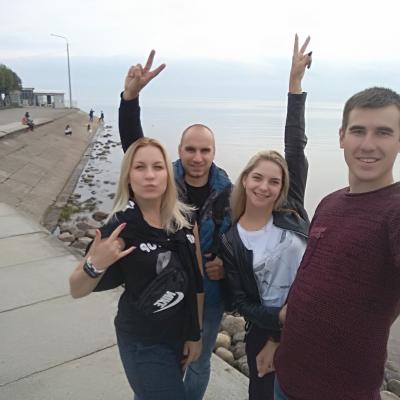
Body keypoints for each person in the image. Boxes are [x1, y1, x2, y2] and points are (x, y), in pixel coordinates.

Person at [273, 87, 400, 399]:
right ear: (342, 137)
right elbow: (309, 275)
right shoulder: (329, 203)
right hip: (284, 379)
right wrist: (283, 325)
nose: (368, 144)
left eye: (383, 132)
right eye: (358, 131)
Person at [119, 50, 233, 400]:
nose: (197, 157)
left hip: (208, 297)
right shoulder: (163, 180)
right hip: (162, 290)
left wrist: (224, 264)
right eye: (190, 149)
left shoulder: (228, 191)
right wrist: (130, 99)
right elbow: (134, 147)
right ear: (180, 150)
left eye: (205, 150)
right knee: (160, 368)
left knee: (199, 362)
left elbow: (240, 239)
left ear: (213, 152)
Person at [69, 137, 204, 400]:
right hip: (143, 342)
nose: (150, 176)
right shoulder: (120, 228)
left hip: (179, 336)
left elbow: (196, 282)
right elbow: (76, 288)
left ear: (168, 175)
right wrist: (96, 264)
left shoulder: (185, 220)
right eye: (140, 167)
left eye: (158, 167)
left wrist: (195, 334)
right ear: (128, 177)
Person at [219, 35, 311, 400]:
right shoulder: (231, 239)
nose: (265, 186)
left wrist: (294, 85)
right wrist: (278, 323)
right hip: (265, 329)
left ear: (283, 186)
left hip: (311, 325)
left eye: (275, 181)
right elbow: (242, 302)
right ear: (245, 179)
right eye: (257, 177)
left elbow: (295, 146)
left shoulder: (292, 209)